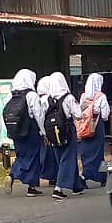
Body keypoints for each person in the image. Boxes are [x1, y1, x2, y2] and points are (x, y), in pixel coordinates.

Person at [39, 72, 86, 200]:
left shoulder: (47, 100)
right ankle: (58, 188)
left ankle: (76, 186)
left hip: (51, 132)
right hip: (67, 130)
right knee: (68, 158)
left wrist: (45, 133)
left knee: (60, 158)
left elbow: (42, 117)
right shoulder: (68, 98)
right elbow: (79, 114)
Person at [5, 69, 48, 197]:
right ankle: (31, 186)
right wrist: (44, 132)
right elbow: (38, 115)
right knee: (34, 157)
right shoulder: (32, 95)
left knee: (21, 155)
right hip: (31, 130)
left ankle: (12, 175)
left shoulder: (11, 96)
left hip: (16, 131)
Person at [77, 72, 111, 186]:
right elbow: (105, 115)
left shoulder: (83, 96)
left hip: (84, 126)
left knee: (86, 152)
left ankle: (85, 175)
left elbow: (80, 112)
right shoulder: (101, 96)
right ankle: (100, 176)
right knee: (98, 152)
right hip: (97, 126)